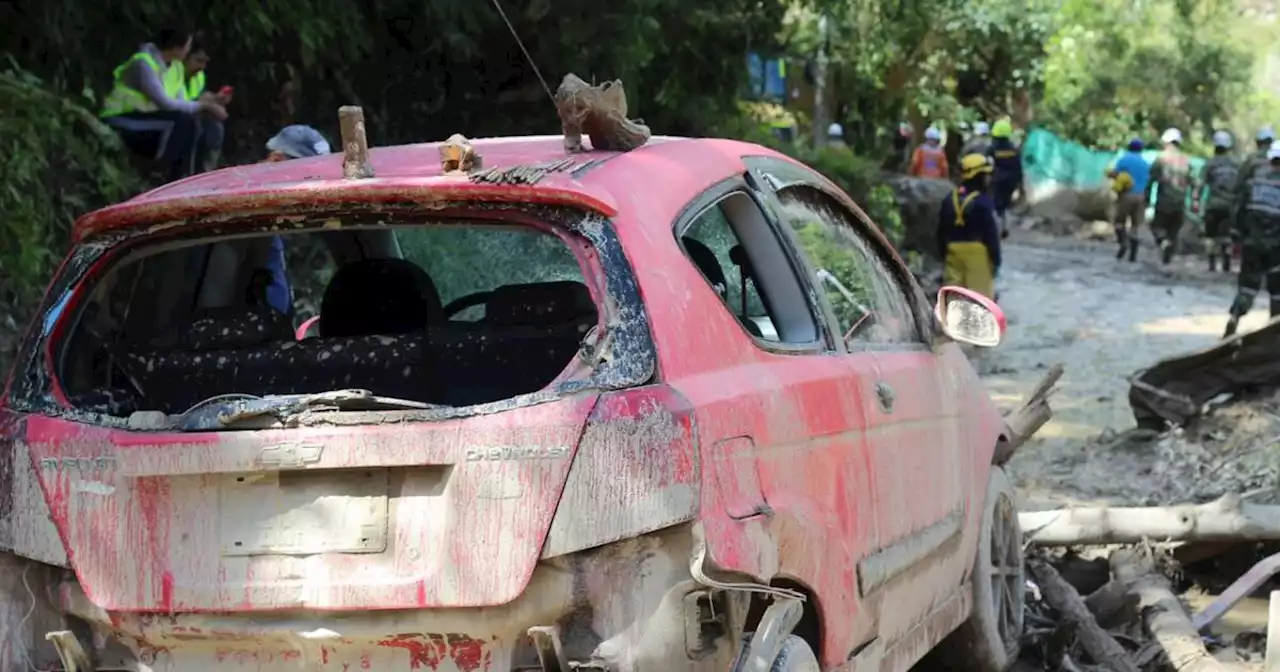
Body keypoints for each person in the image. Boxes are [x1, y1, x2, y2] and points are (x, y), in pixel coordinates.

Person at [99, 26, 228, 182]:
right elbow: (164, 102)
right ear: (176, 47)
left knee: (192, 122)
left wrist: (208, 103)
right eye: (187, 46)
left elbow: (182, 103)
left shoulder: (174, 67)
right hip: (124, 118)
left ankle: (186, 178)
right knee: (180, 121)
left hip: (150, 119)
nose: (188, 50)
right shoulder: (143, 63)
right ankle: (160, 174)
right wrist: (205, 106)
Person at [1222, 145, 1280, 338]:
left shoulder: (1253, 183)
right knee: (1277, 291)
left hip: (1252, 244)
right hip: (1277, 247)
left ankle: (1234, 319)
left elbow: (1239, 211)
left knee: (1247, 286)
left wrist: (1238, 235)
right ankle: (1274, 332)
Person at [936, 154, 1002, 300]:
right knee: (980, 301)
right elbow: (991, 233)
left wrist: (943, 254)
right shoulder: (984, 202)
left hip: (953, 251)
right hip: (978, 254)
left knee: (953, 299)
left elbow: (941, 231)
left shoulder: (949, 199)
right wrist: (996, 259)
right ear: (979, 176)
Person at [163, 41, 231, 173]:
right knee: (194, 125)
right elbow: (171, 101)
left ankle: (207, 170)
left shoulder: (198, 77)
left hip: (193, 114)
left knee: (214, 125)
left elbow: (203, 99)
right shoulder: (173, 72)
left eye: (205, 62)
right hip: (173, 116)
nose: (202, 67)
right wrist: (205, 103)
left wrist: (216, 100)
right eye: (198, 61)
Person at [1146, 128, 1196, 265]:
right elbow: (1194, 183)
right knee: (1173, 232)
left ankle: (1163, 242)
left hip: (1163, 202)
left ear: (1166, 142)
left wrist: (1147, 200)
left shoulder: (1161, 159)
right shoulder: (1186, 161)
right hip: (1179, 203)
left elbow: (1151, 181)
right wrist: (1193, 202)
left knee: (1157, 227)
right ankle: (1167, 262)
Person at [1193, 131, 1241, 272]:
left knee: (1210, 235)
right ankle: (1226, 260)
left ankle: (1212, 264)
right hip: (1230, 206)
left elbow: (1200, 184)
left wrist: (1195, 201)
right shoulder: (1236, 164)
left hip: (1213, 205)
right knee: (1226, 235)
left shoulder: (1210, 164)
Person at [1107, 138, 1152, 262]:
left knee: (1119, 222)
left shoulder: (1124, 160)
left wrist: (1110, 175)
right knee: (1136, 225)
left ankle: (1123, 243)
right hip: (1141, 196)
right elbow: (1148, 181)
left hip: (1126, 195)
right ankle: (1133, 254)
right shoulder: (1145, 163)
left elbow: (1116, 174)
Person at [986, 118, 1023, 238]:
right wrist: (1019, 183)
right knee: (1006, 204)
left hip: (997, 180)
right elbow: (1018, 167)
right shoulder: (1013, 149)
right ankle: (1004, 228)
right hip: (1011, 181)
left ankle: (996, 229)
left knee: (996, 204)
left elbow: (987, 164)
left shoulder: (992, 148)